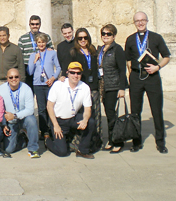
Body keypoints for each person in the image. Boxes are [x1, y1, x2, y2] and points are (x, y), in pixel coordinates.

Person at [125, 11, 170, 153]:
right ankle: (136, 142)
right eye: (137, 21)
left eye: (143, 20)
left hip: (152, 78)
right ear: (134, 23)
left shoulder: (156, 38)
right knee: (135, 112)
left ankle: (160, 142)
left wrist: (157, 67)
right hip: (137, 78)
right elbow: (128, 59)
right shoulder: (130, 39)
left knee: (156, 111)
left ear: (147, 21)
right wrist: (131, 74)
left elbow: (167, 56)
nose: (140, 23)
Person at [45, 62, 95, 159]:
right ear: (67, 73)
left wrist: (85, 120)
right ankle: (48, 141)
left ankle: (82, 150)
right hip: (58, 120)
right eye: (72, 72)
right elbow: (49, 106)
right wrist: (55, 125)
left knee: (91, 122)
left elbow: (87, 108)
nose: (75, 75)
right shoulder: (58, 85)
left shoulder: (84, 87)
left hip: (73, 118)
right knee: (62, 152)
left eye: (78, 73)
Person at [68, 28, 102, 152]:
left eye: (85, 37)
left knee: (96, 115)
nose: (83, 40)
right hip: (81, 88)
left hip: (93, 88)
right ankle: (79, 142)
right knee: (83, 116)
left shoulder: (93, 51)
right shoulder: (74, 52)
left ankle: (96, 141)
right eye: (80, 38)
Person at [0, 68, 40, 158]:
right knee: (9, 150)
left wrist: (15, 116)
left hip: (23, 119)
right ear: (7, 78)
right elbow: (0, 109)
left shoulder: (26, 89)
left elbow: (30, 110)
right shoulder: (1, 89)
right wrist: (4, 124)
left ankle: (33, 148)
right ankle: (23, 139)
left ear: (20, 77)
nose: (14, 79)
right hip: (10, 122)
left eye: (16, 77)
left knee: (32, 120)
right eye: (11, 77)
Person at [97, 24, 127, 153]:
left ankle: (117, 141)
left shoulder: (117, 49)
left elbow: (122, 70)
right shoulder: (101, 49)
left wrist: (122, 88)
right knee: (109, 114)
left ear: (114, 36)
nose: (105, 36)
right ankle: (111, 139)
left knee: (111, 114)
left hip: (113, 86)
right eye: (103, 33)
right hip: (102, 86)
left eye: (108, 34)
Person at [27, 33, 61, 139]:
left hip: (49, 83)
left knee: (50, 107)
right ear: (36, 43)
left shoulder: (52, 53)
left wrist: (53, 78)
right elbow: (29, 71)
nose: (41, 44)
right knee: (41, 108)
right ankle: (44, 130)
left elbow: (58, 67)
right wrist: (34, 60)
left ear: (46, 43)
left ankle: (52, 128)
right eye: (39, 42)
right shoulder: (33, 55)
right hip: (37, 84)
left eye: (43, 42)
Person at [18, 15, 53, 89]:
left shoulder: (46, 37)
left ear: (40, 25)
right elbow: (20, 56)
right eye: (32, 24)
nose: (35, 26)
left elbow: (51, 51)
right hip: (28, 68)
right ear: (29, 25)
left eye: (37, 24)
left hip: (42, 67)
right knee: (29, 92)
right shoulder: (22, 38)